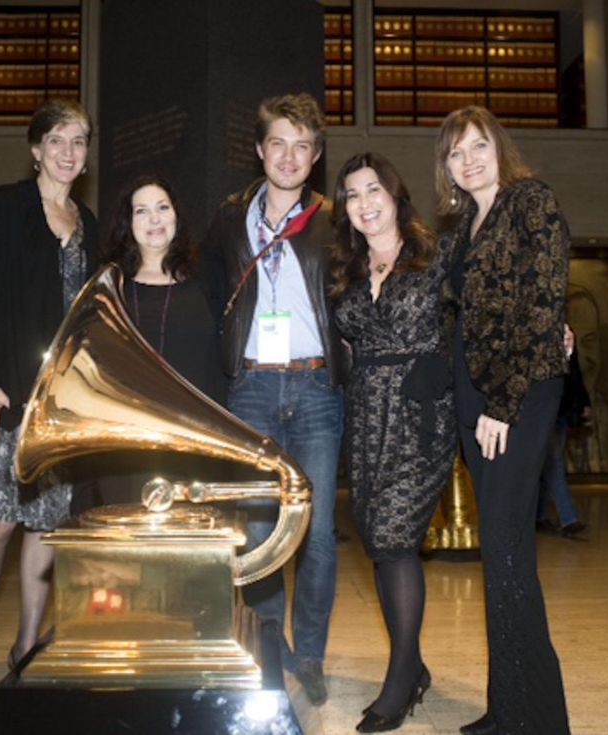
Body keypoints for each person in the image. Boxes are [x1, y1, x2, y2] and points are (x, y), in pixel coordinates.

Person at [202, 93, 346, 706]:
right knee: (260, 531)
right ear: (260, 150)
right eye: (278, 144)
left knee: (318, 534)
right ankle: (273, 653)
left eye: (302, 146)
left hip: (316, 388)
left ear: (315, 157)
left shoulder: (335, 219)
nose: (289, 157)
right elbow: (207, 294)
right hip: (253, 388)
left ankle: (309, 656)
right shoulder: (229, 220)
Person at [0, 99, 99, 707]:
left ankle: (26, 647)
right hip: (8, 392)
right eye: (57, 140)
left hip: (64, 402)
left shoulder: (88, 222)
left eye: (79, 141)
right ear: (36, 149)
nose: (69, 152)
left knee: (46, 525)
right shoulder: (7, 205)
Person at [435, 106, 571, 735]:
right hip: (474, 398)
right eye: (456, 152)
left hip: (516, 396)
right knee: (500, 554)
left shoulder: (530, 201)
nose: (468, 160)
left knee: (509, 554)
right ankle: (508, 707)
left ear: (499, 148)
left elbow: (543, 305)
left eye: (478, 146)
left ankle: (537, 720)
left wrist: (503, 404)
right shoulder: (462, 227)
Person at [329, 152, 456, 732]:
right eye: (352, 195)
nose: (364, 203)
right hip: (366, 419)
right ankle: (415, 665)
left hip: (422, 416)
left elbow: (479, 317)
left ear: (395, 195)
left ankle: (400, 680)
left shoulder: (435, 257)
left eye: (373, 189)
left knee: (397, 537)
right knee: (380, 540)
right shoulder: (347, 271)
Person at [69, 174, 227, 514]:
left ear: (176, 216)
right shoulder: (108, 287)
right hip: (124, 445)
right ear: (128, 223)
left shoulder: (208, 280)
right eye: (141, 211)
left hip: (193, 441)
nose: (154, 219)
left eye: (162, 208)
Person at [536, 347, 590, 537]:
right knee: (554, 463)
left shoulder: (566, 337)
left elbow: (575, 373)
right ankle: (569, 519)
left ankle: (539, 516)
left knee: (548, 464)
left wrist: (584, 402)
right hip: (544, 409)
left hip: (562, 409)